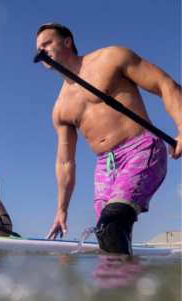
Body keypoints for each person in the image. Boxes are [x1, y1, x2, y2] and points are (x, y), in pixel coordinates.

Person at [36, 23, 181, 254]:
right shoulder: (60, 107)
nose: (41, 50)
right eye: (38, 47)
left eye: (47, 43)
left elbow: (165, 84)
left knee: (110, 224)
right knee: (109, 240)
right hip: (104, 167)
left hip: (141, 148)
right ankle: (126, 285)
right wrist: (61, 209)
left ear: (67, 42)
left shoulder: (110, 58)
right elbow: (65, 162)